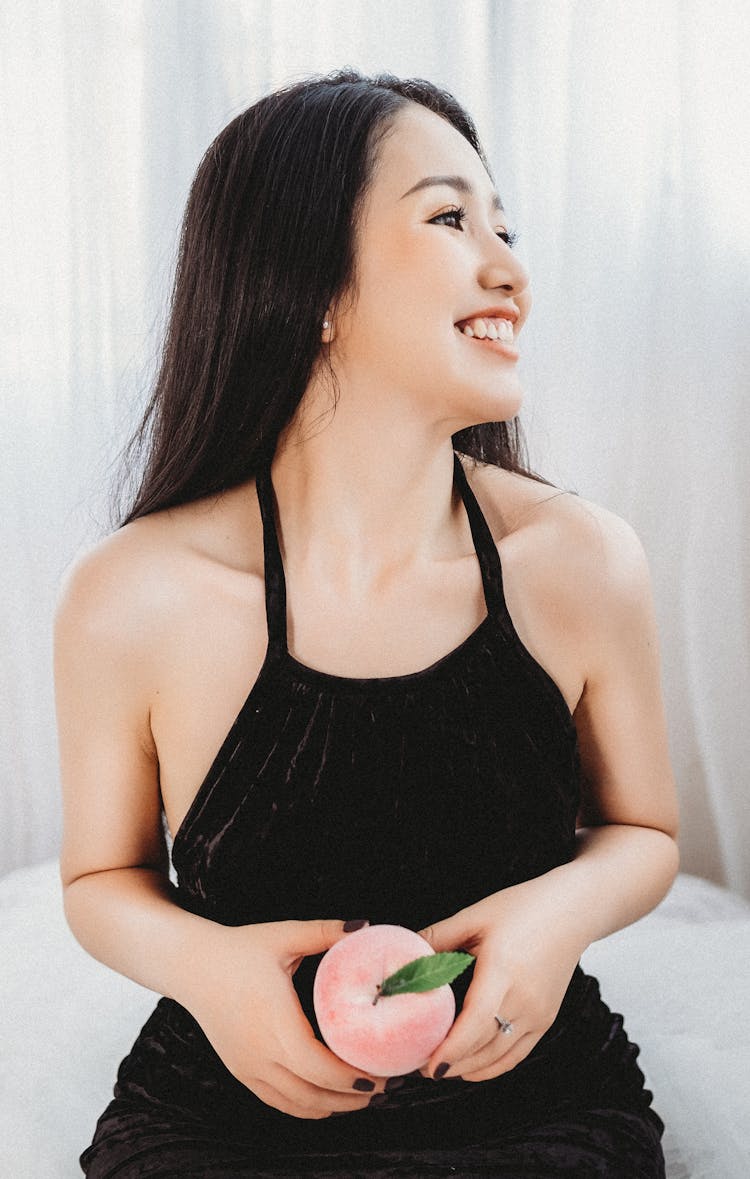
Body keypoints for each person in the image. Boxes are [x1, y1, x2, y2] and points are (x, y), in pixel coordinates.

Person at [55, 68, 679, 1177]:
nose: (511, 270)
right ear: (312, 288)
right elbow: (102, 884)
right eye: (450, 218)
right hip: (225, 1113)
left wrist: (555, 919)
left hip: (528, 1108)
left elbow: (645, 836)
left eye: (505, 224)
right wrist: (210, 973)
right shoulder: (135, 592)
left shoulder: (582, 562)